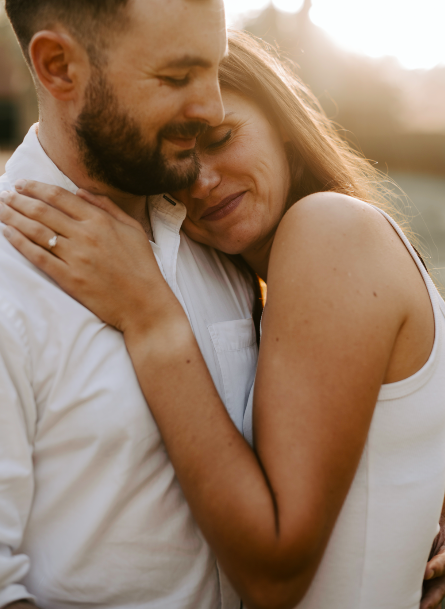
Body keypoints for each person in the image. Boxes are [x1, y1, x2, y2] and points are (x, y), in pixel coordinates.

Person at [3, 31, 445, 609]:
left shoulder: (328, 230)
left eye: (220, 138)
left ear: (282, 118)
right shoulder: (244, 275)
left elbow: (274, 573)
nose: (201, 182)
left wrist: (149, 313)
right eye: (174, 166)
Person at [0, 0, 258, 608]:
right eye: (177, 77)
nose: (214, 108)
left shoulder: (222, 226)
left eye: (216, 69)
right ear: (58, 66)